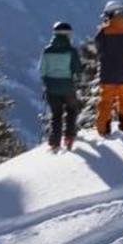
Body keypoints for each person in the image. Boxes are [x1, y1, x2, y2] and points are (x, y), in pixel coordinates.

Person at [93, 0, 123, 137]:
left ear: (111, 14)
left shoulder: (104, 32)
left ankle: (104, 129)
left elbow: (98, 49)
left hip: (108, 73)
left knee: (106, 100)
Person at [39, 21, 82, 152]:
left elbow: (42, 70)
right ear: (68, 35)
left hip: (51, 88)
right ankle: (69, 137)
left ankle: (54, 142)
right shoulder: (71, 51)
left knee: (56, 114)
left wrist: (47, 83)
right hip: (68, 86)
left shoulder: (47, 50)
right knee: (72, 110)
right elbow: (77, 69)